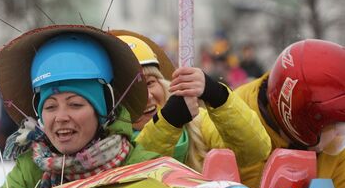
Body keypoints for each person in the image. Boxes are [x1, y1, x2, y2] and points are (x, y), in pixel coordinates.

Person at [0, 24, 155, 188]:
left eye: (75, 104)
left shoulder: (144, 169)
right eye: (50, 107)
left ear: (104, 109)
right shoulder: (29, 171)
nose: (61, 117)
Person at [113, 31, 271, 174]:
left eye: (150, 83)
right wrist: (168, 121)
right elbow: (137, 174)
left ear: (162, 83)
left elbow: (255, 152)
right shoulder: (108, 147)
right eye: (133, 91)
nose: (147, 96)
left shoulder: (197, 123)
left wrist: (218, 96)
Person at [234, 39, 345, 188]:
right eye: (338, 125)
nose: (341, 134)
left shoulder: (334, 151)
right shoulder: (232, 128)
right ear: (302, 122)